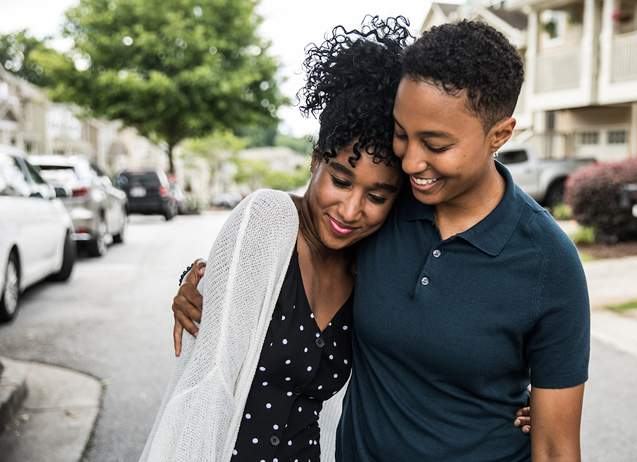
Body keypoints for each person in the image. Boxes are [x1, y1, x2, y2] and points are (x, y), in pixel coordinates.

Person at [174, 20, 587, 462]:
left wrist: (537, 410)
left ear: (500, 135)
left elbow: (555, 445)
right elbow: (305, 227)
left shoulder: (549, 263)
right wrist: (202, 280)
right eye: (402, 133)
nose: (411, 161)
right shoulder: (385, 207)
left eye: (435, 144)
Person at [140, 17, 409, 462]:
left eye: (377, 195)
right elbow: (209, 384)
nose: (350, 210)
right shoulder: (266, 219)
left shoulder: (370, 264)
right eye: (341, 180)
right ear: (314, 161)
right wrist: (198, 280)